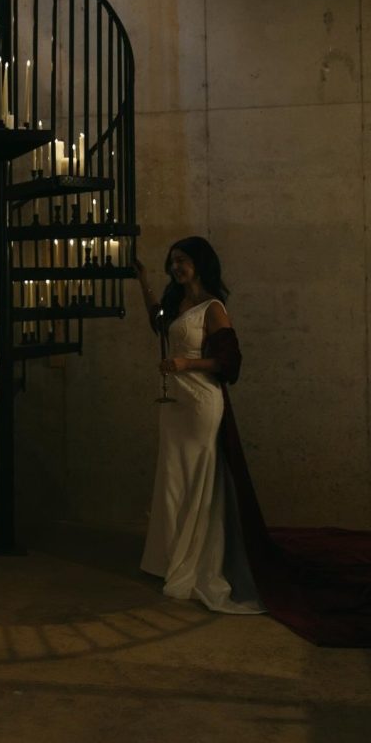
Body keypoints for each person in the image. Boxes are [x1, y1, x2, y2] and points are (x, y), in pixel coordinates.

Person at [135, 236, 264, 614]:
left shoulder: (213, 308)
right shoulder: (176, 303)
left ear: (200, 263)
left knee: (196, 481)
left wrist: (185, 364)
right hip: (174, 404)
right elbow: (157, 323)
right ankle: (168, 559)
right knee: (172, 480)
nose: (176, 267)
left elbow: (231, 363)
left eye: (183, 260)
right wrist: (142, 280)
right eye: (172, 261)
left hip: (201, 403)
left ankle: (196, 561)